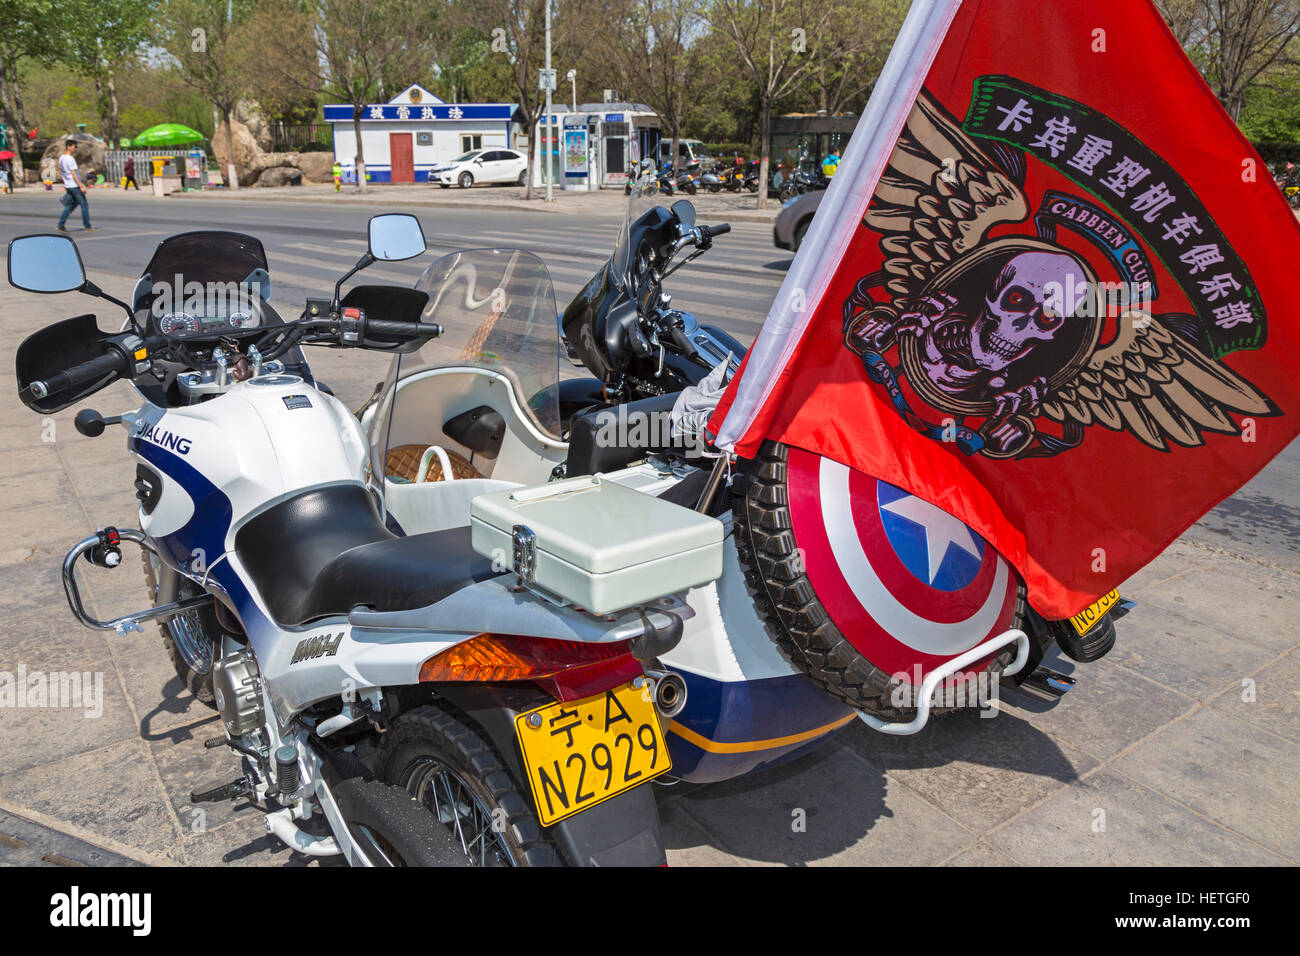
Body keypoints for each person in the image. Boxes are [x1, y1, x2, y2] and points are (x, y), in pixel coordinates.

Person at [56, 140, 94, 232]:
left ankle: (61, 224)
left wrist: (66, 183)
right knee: (84, 205)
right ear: (69, 147)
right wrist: (81, 185)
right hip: (74, 185)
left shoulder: (62, 158)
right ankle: (87, 226)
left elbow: (63, 172)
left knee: (70, 205)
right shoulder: (70, 159)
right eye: (75, 146)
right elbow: (73, 173)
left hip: (69, 185)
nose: (76, 148)